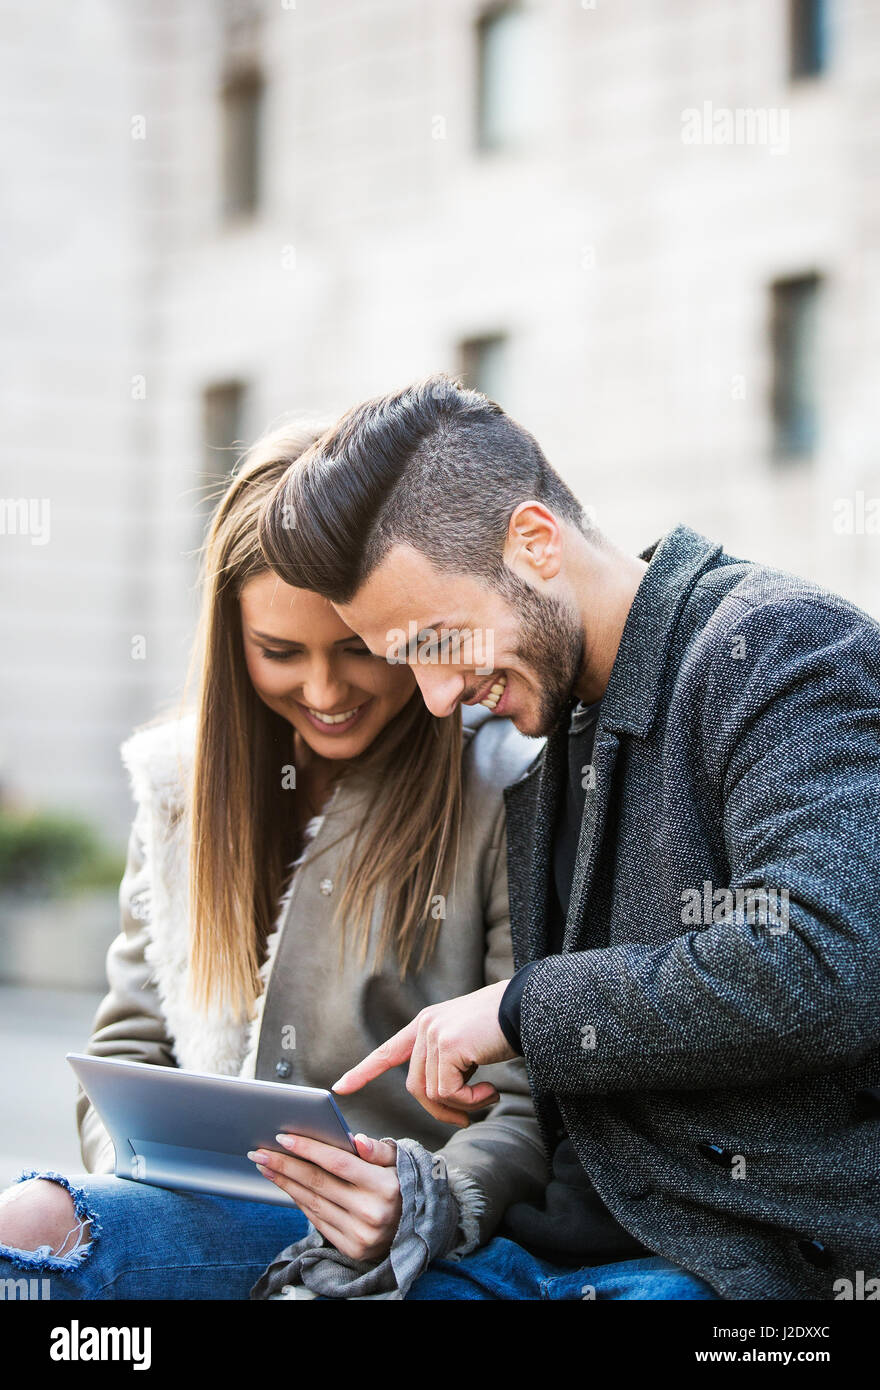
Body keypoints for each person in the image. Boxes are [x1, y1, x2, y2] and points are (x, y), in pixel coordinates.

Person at [257, 373, 880, 1301]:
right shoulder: (549, 740)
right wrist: (418, 1185)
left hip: (753, 1276)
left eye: (440, 643)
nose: (434, 698)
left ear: (536, 542)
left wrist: (514, 1012)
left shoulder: (779, 649)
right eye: (405, 663)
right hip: (543, 1258)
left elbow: (828, 962)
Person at [0, 418, 547, 1301]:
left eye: (357, 650)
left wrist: (425, 1201)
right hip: (206, 1211)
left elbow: (528, 1102)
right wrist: (148, 1172)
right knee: (27, 1228)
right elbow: (130, 1048)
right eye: (280, 653)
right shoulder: (177, 787)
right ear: (232, 642)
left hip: (414, 1237)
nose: (326, 695)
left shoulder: (502, 781)